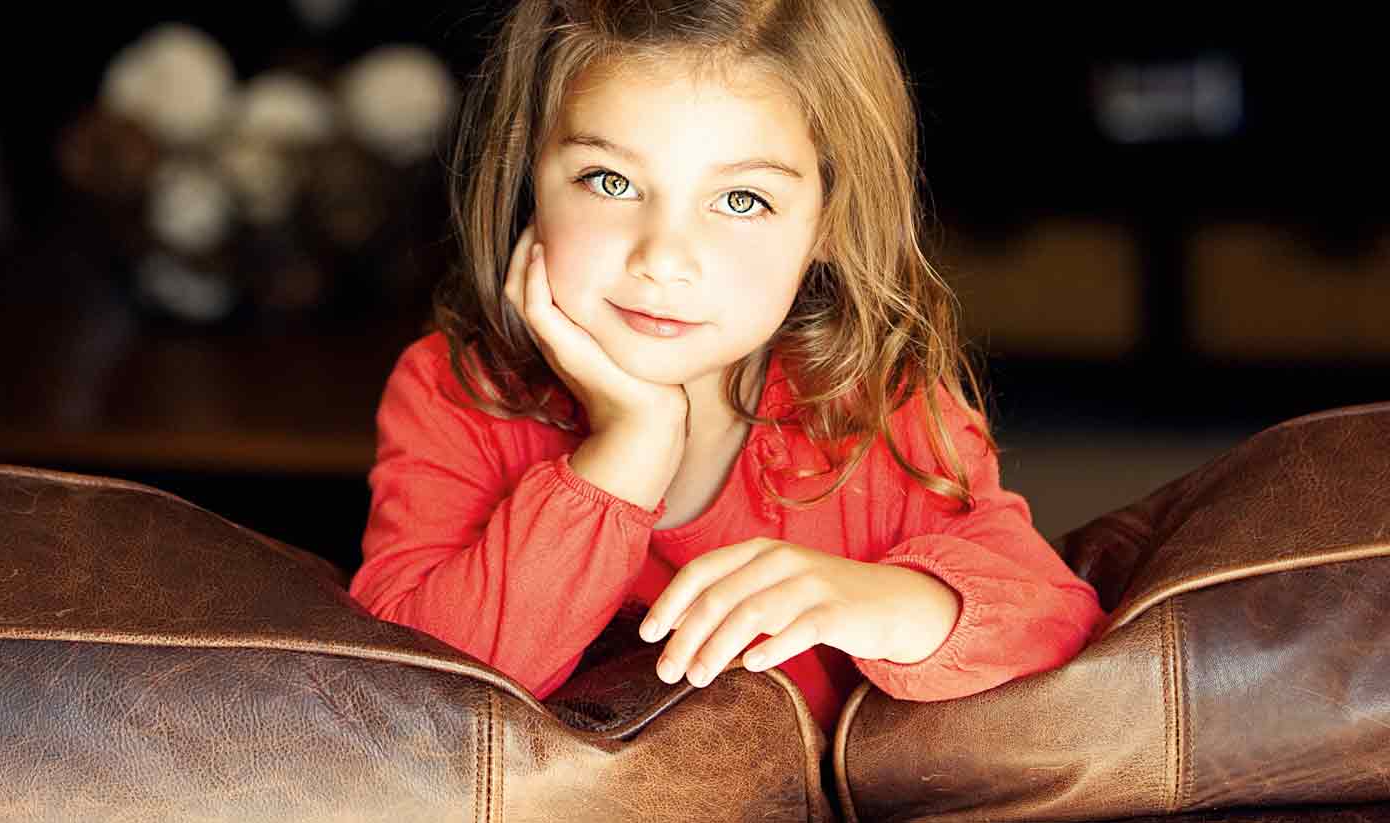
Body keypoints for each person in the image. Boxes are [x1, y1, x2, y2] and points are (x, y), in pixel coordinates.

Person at [348, 0, 1107, 737]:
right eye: (609, 181)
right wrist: (628, 447)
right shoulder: (457, 391)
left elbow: (1060, 625)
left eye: (741, 199)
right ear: (530, 174)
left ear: (828, 224)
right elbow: (418, 693)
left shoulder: (876, 409)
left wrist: (883, 598)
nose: (664, 258)